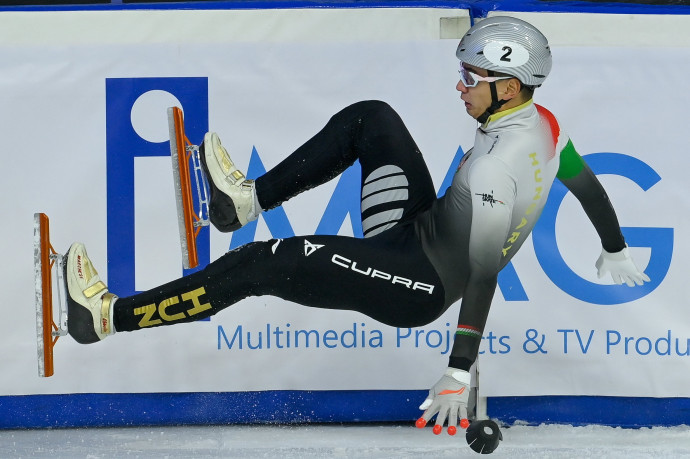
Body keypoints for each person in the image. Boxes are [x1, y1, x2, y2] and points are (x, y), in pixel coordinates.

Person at [64, 16, 649, 436]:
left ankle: (107, 316)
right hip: (415, 227)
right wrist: (615, 246)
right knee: (373, 119)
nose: (460, 87)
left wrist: (456, 370)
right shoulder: (545, 123)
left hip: (418, 281)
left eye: (471, 78)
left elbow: (482, 275)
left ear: (509, 86)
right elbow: (587, 183)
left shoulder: (498, 168)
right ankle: (239, 203)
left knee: (264, 263)